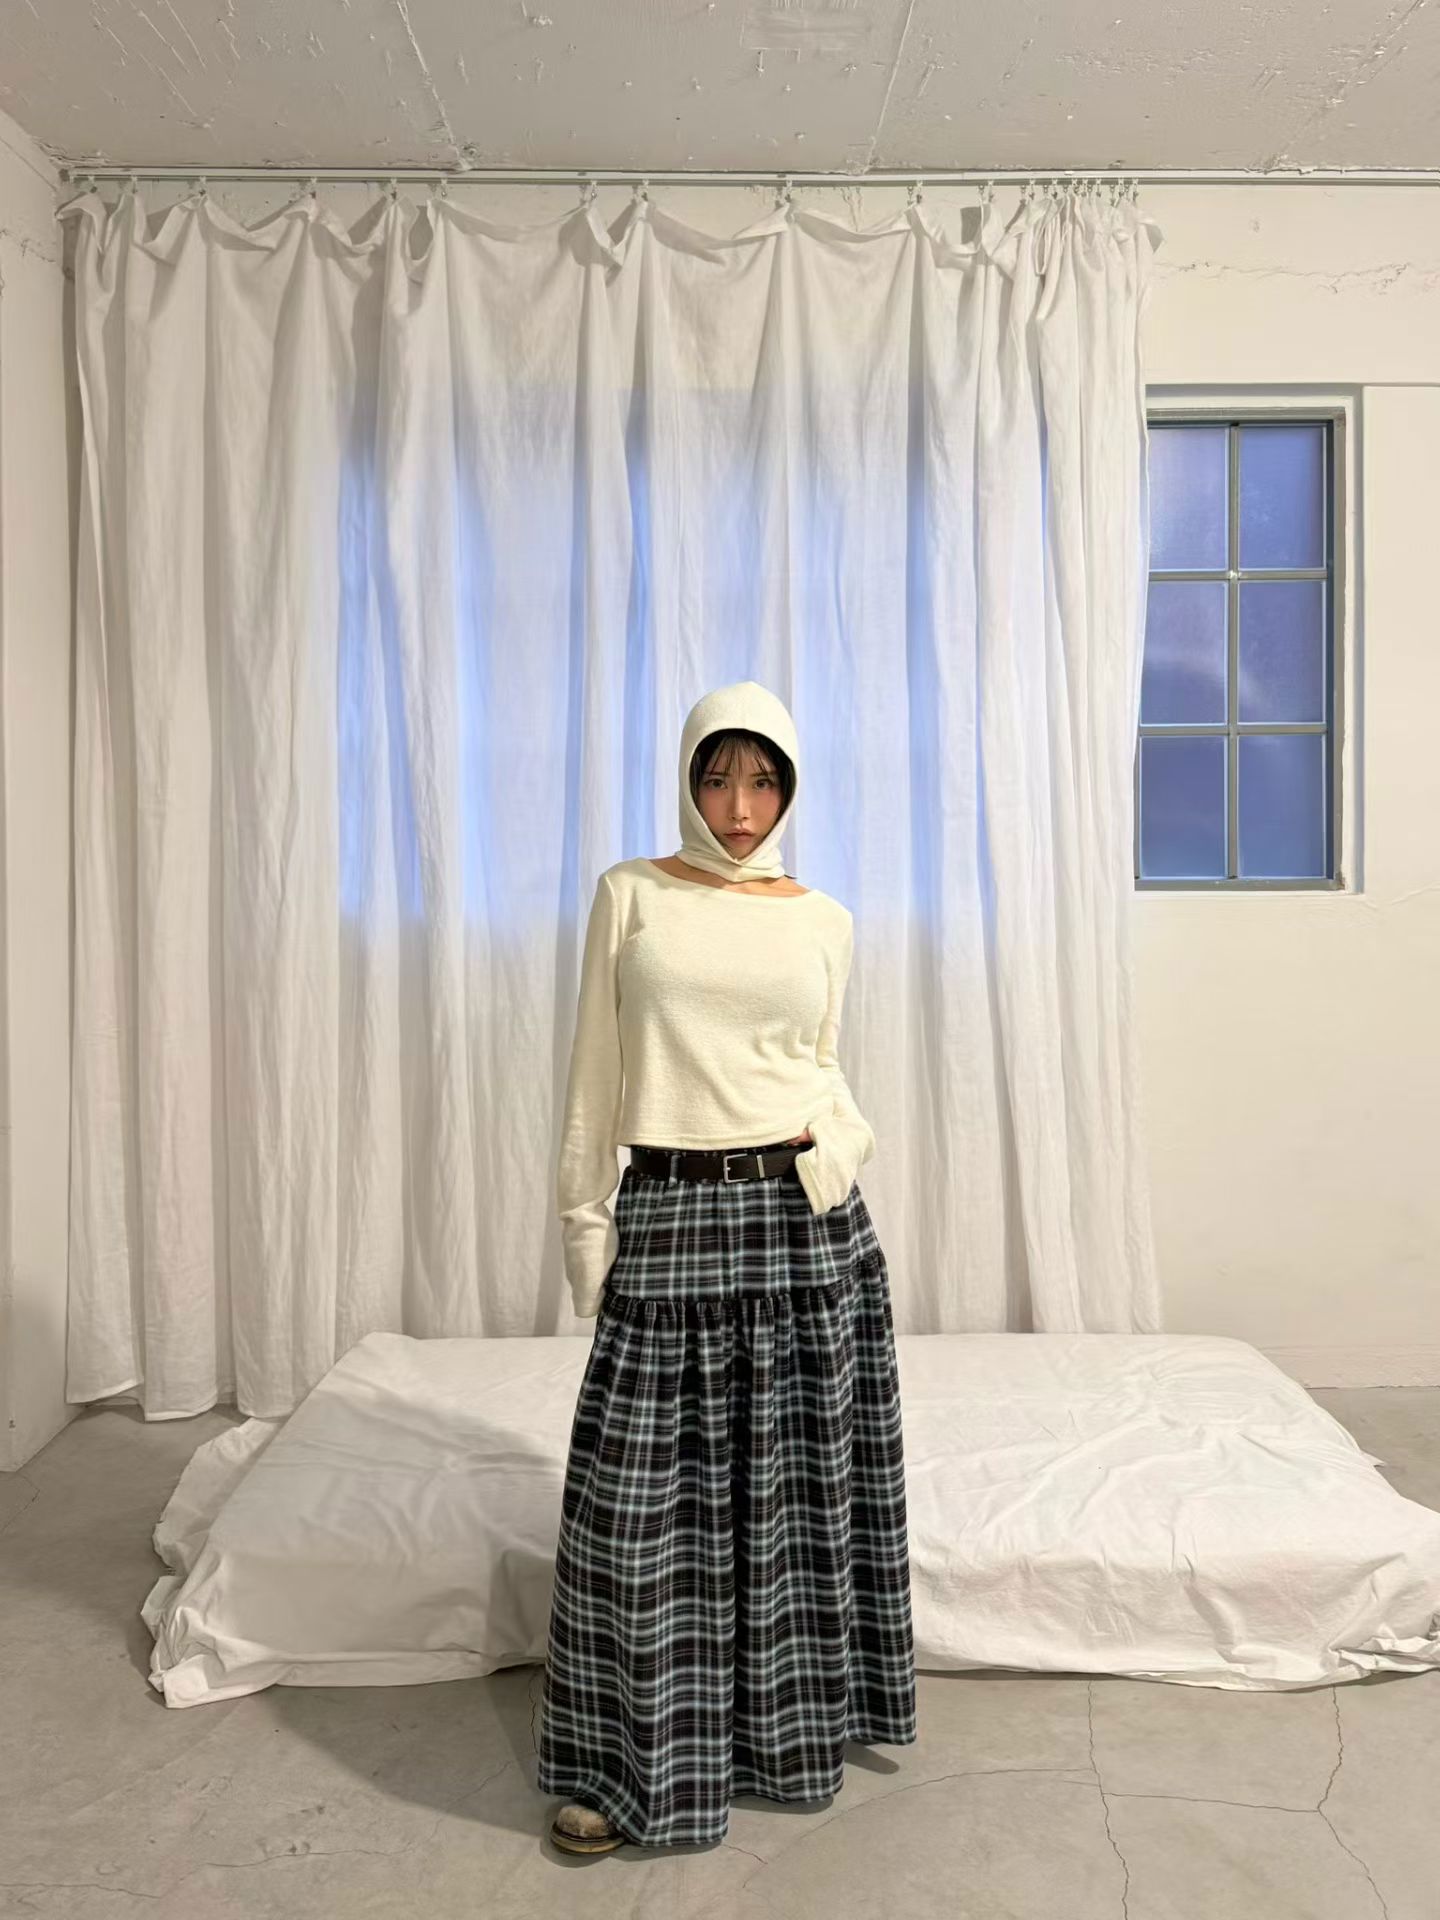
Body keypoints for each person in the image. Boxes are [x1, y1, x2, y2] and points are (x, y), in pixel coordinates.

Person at [539, 679, 916, 1853]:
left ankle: (785, 1740)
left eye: (762, 781)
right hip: (669, 1210)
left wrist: (839, 1147)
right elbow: (592, 1075)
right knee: (639, 1515)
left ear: (790, 788)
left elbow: (823, 1065)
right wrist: (586, 1232)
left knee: (795, 1502)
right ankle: (630, 1769)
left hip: (803, 1223)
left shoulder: (824, 918)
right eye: (717, 778)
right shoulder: (632, 895)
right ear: (688, 781)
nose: (740, 808)